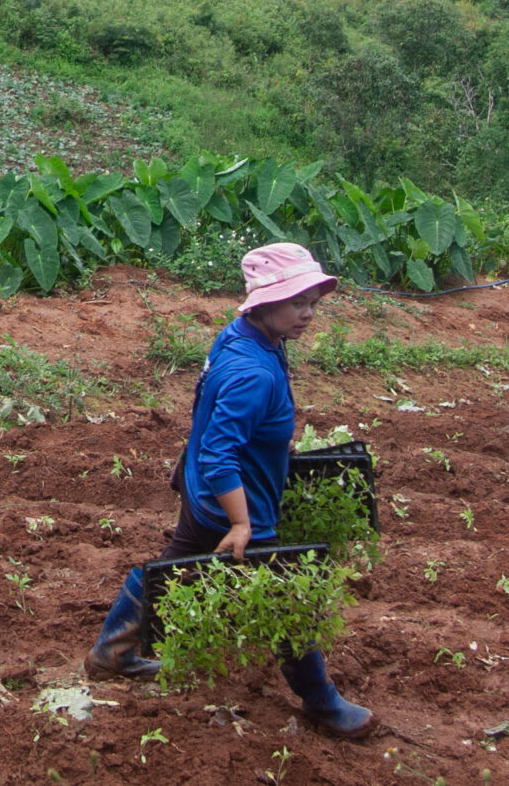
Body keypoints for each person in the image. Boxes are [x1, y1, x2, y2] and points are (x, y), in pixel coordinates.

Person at [84, 242, 375, 739]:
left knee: (177, 559)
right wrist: (242, 523)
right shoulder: (253, 373)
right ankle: (322, 702)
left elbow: (219, 432)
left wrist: (274, 455)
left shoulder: (245, 336)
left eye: (312, 303)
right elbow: (223, 452)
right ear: (264, 302)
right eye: (296, 303)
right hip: (228, 500)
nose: (307, 313)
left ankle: (114, 651)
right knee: (288, 595)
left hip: (200, 486)